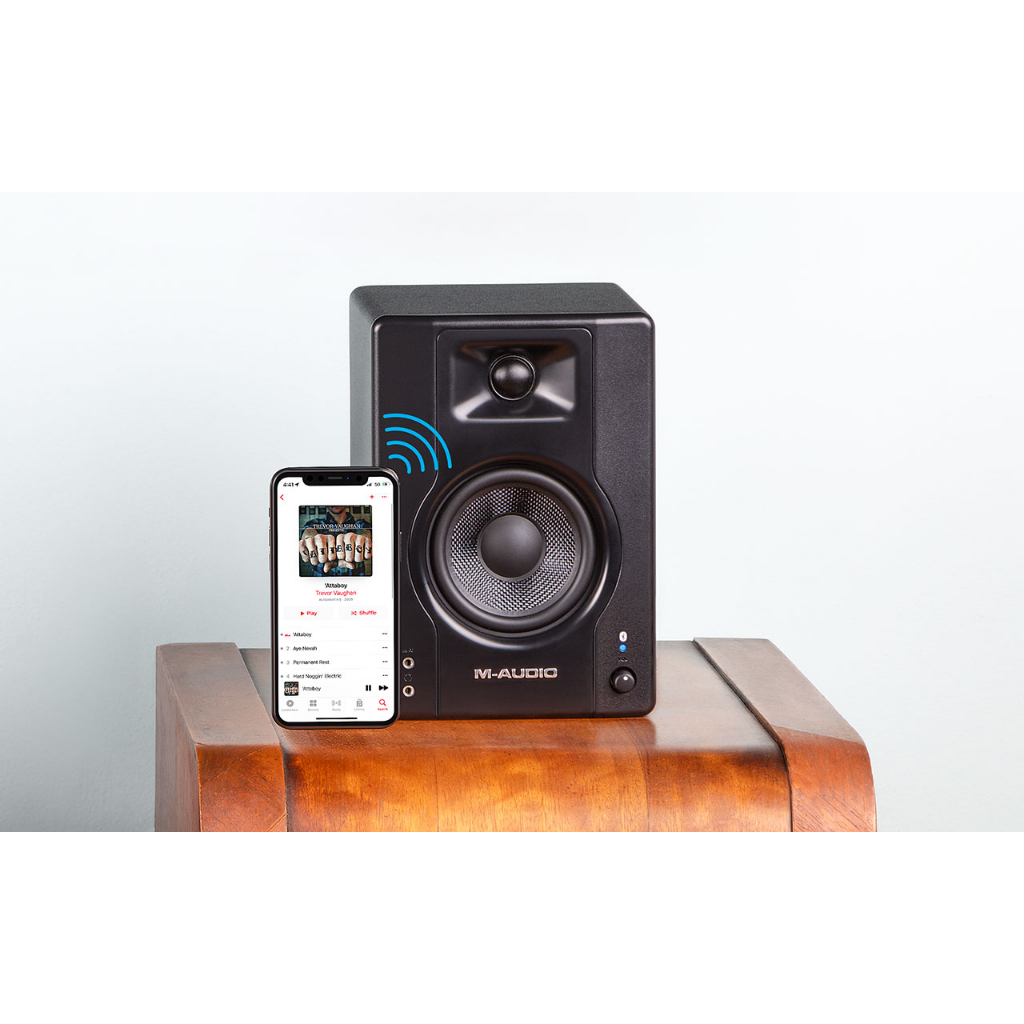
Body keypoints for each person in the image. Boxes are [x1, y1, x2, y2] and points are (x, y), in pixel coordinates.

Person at [299, 506, 372, 576]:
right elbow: (308, 531)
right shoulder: (315, 523)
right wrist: (310, 539)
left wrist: (364, 538)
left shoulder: (360, 523)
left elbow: (366, 531)